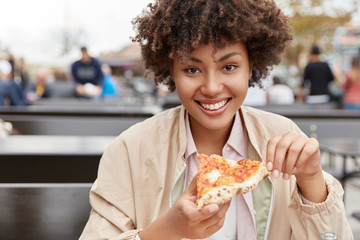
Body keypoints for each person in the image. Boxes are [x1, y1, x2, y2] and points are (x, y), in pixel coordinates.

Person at [80, 1, 353, 239]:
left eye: (229, 66)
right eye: (192, 69)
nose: (211, 87)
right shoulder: (130, 150)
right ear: (170, 70)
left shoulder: (282, 135)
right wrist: (167, 230)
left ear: (252, 66)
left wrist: (312, 181)